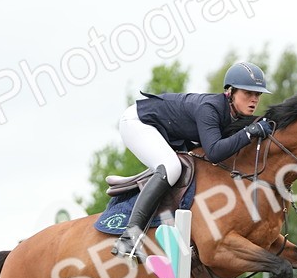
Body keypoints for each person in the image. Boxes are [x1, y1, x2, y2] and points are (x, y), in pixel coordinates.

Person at [112, 61, 274, 260]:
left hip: (164, 130)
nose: (254, 99)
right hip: (138, 122)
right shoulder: (210, 108)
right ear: (230, 92)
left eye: (257, 94)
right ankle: (129, 236)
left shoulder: (231, 114)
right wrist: (249, 133)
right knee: (171, 167)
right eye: (248, 93)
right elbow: (214, 152)